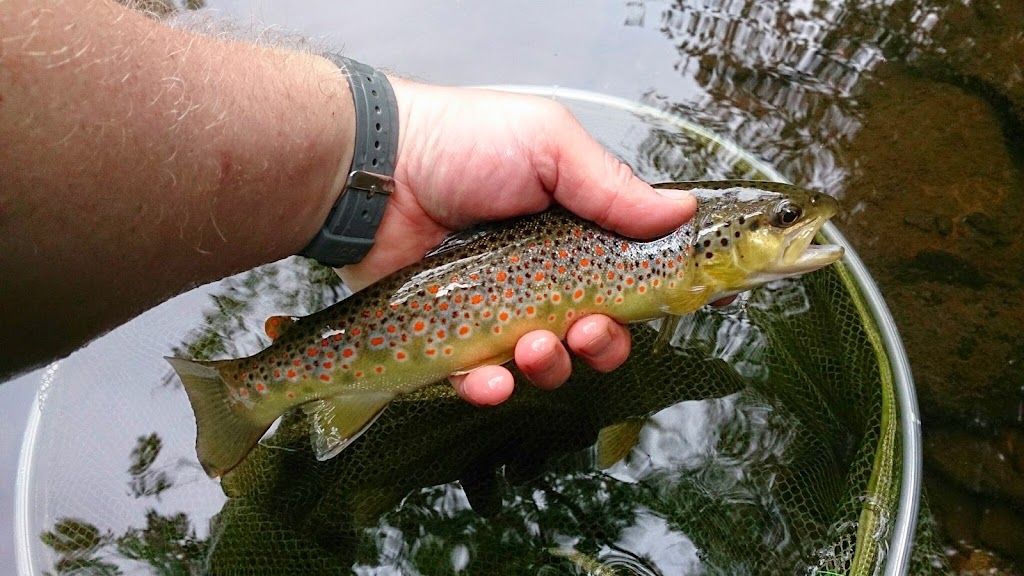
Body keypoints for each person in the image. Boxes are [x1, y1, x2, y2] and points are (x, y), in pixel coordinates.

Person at [0, 0, 703, 405]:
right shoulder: (685, 252)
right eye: (783, 223)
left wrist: (367, 158)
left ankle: (265, 389)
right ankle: (244, 393)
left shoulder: (693, 274)